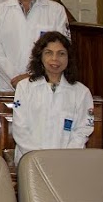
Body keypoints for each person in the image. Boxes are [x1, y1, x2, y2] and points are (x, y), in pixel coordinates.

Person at [11, 32, 95, 160]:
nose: (55, 59)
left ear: (69, 58)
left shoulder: (81, 92)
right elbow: (20, 129)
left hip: (67, 163)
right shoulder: (24, 87)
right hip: (30, 161)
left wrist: (62, 159)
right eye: (48, 53)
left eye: (61, 53)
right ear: (40, 56)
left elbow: (82, 131)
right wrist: (38, 157)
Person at [0, 0, 71, 92]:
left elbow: (62, 50)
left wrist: (34, 76)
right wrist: (16, 77)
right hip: (10, 84)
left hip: (45, 83)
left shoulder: (56, 11)